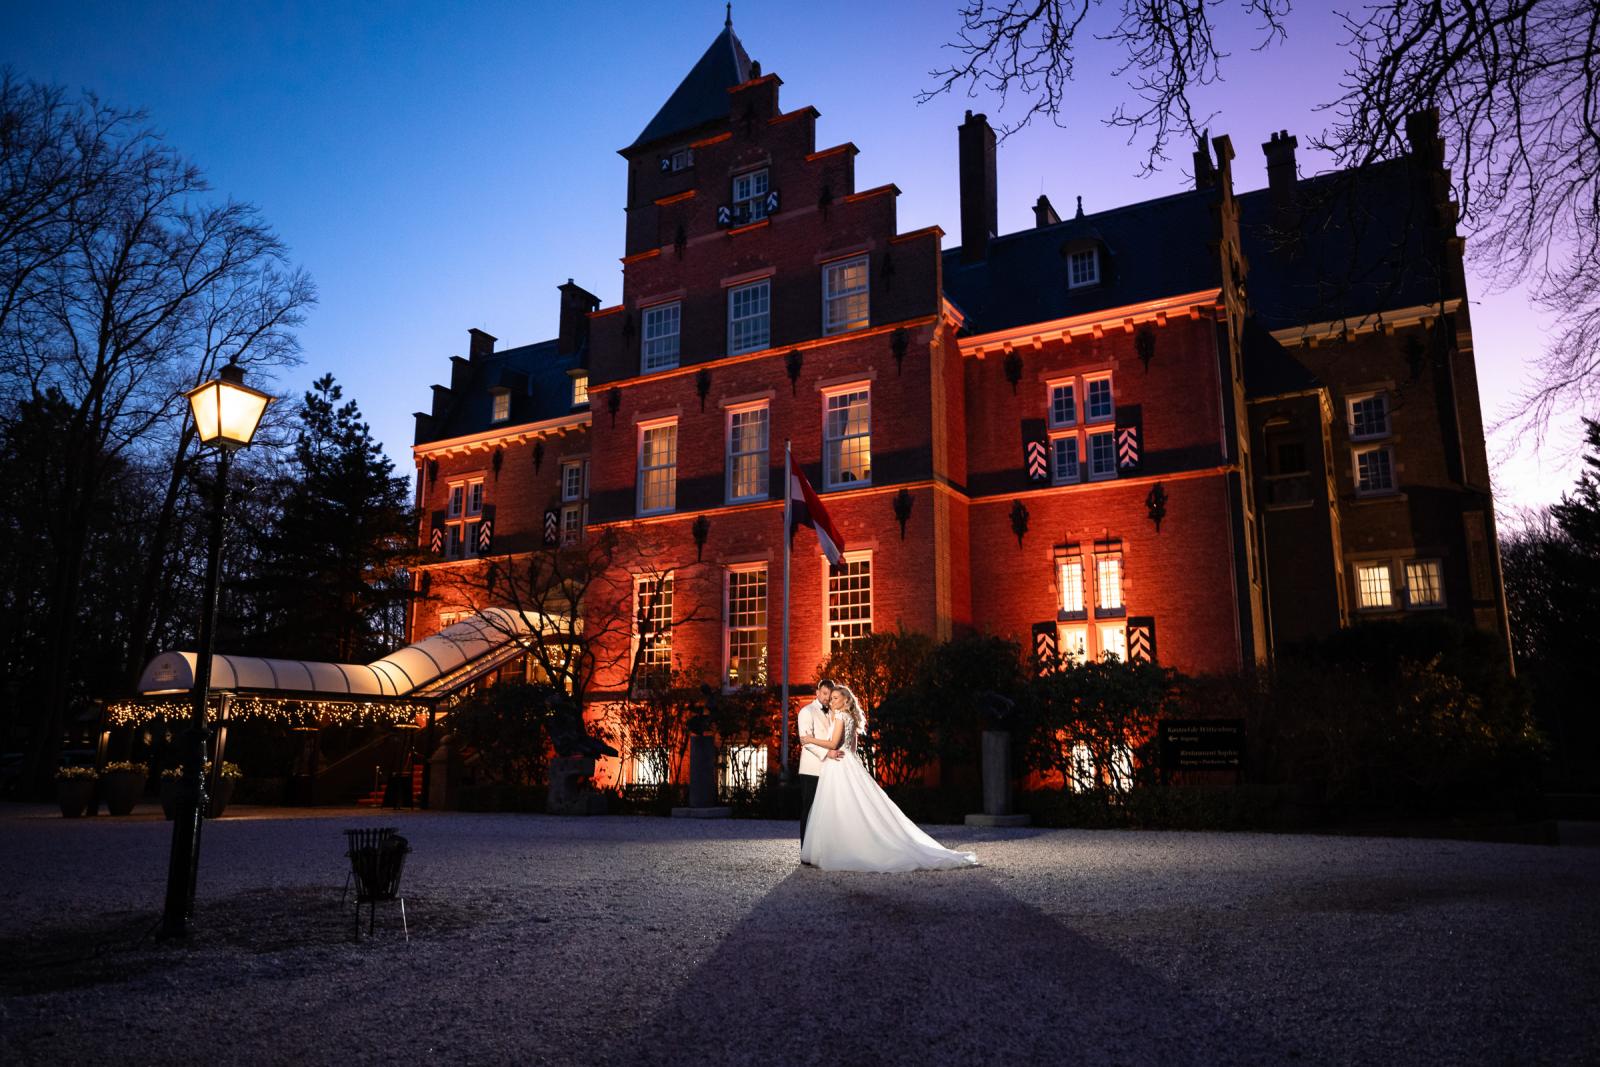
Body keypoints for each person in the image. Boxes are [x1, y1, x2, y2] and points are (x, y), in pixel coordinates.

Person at [798, 684, 979, 873]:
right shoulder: (850, 717)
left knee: (839, 807)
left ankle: (840, 848)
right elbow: (852, 749)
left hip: (838, 765)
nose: (832, 701)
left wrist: (810, 739)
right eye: (831, 697)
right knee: (850, 806)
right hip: (847, 762)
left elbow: (834, 743)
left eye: (836, 697)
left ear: (846, 700)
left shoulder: (841, 716)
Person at [795, 678, 840, 860]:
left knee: (826, 810)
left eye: (829, 695)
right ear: (817, 692)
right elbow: (805, 740)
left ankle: (822, 850)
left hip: (829, 769)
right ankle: (806, 851)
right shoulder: (806, 711)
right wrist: (826, 753)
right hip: (811, 769)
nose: (826, 698)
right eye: (823, 694)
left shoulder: (833, 713)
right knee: (809, 808)